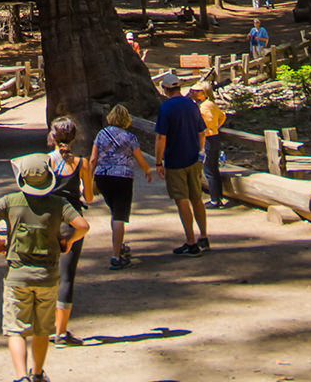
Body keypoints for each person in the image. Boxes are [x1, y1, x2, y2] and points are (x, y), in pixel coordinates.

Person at [0, 153, 89, 382]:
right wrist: (69, 241)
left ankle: (20, 377)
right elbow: (83, 226)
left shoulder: (10, 201)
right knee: (42, 328)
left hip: (17, 276)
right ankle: (37, 374)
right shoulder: (59, 204)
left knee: (16, 329)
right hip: (47, 275)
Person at [45, 116, 94, 348]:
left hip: (47, 220)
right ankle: (61, 332)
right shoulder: (82, 163)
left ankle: (42, 327)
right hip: (72, 223)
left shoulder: (46, 162)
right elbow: (90, 197)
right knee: (66, 275)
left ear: (53, 136)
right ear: (74, 138)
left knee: (45, 273)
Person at [89, 102, 154, 268]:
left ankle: (119, 244)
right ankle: (116, 256)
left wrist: (90, 180)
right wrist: (147, 170)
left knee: (114, 211)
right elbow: (139, 158)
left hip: (103, 176)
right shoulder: (130, 137)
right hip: (122, 177)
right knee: (119, 215)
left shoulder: (101, 134)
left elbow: (93, 159)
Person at [153, 70, 209, 255]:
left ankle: (191, 242)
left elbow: (161, 137)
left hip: (175, 160)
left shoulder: (166, 108)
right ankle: (204, 236)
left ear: (165, 89)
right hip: (193, 158)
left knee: (182, 199)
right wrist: (199, 151)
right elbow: (202, 132)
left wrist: (159, 162)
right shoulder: (192, 105)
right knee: (197, 198)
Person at [195, 83, 227, 208]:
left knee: (208, 170)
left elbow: (207, 121)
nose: (195, 93)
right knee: (213, 169)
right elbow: (222, 116)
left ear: (204, 93)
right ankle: (217, 197)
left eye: (198, 91)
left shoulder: (205, 107)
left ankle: (215, 200)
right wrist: (216, 126)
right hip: (214, 137)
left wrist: (207, 130)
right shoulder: (211, 104)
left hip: (209, 139)